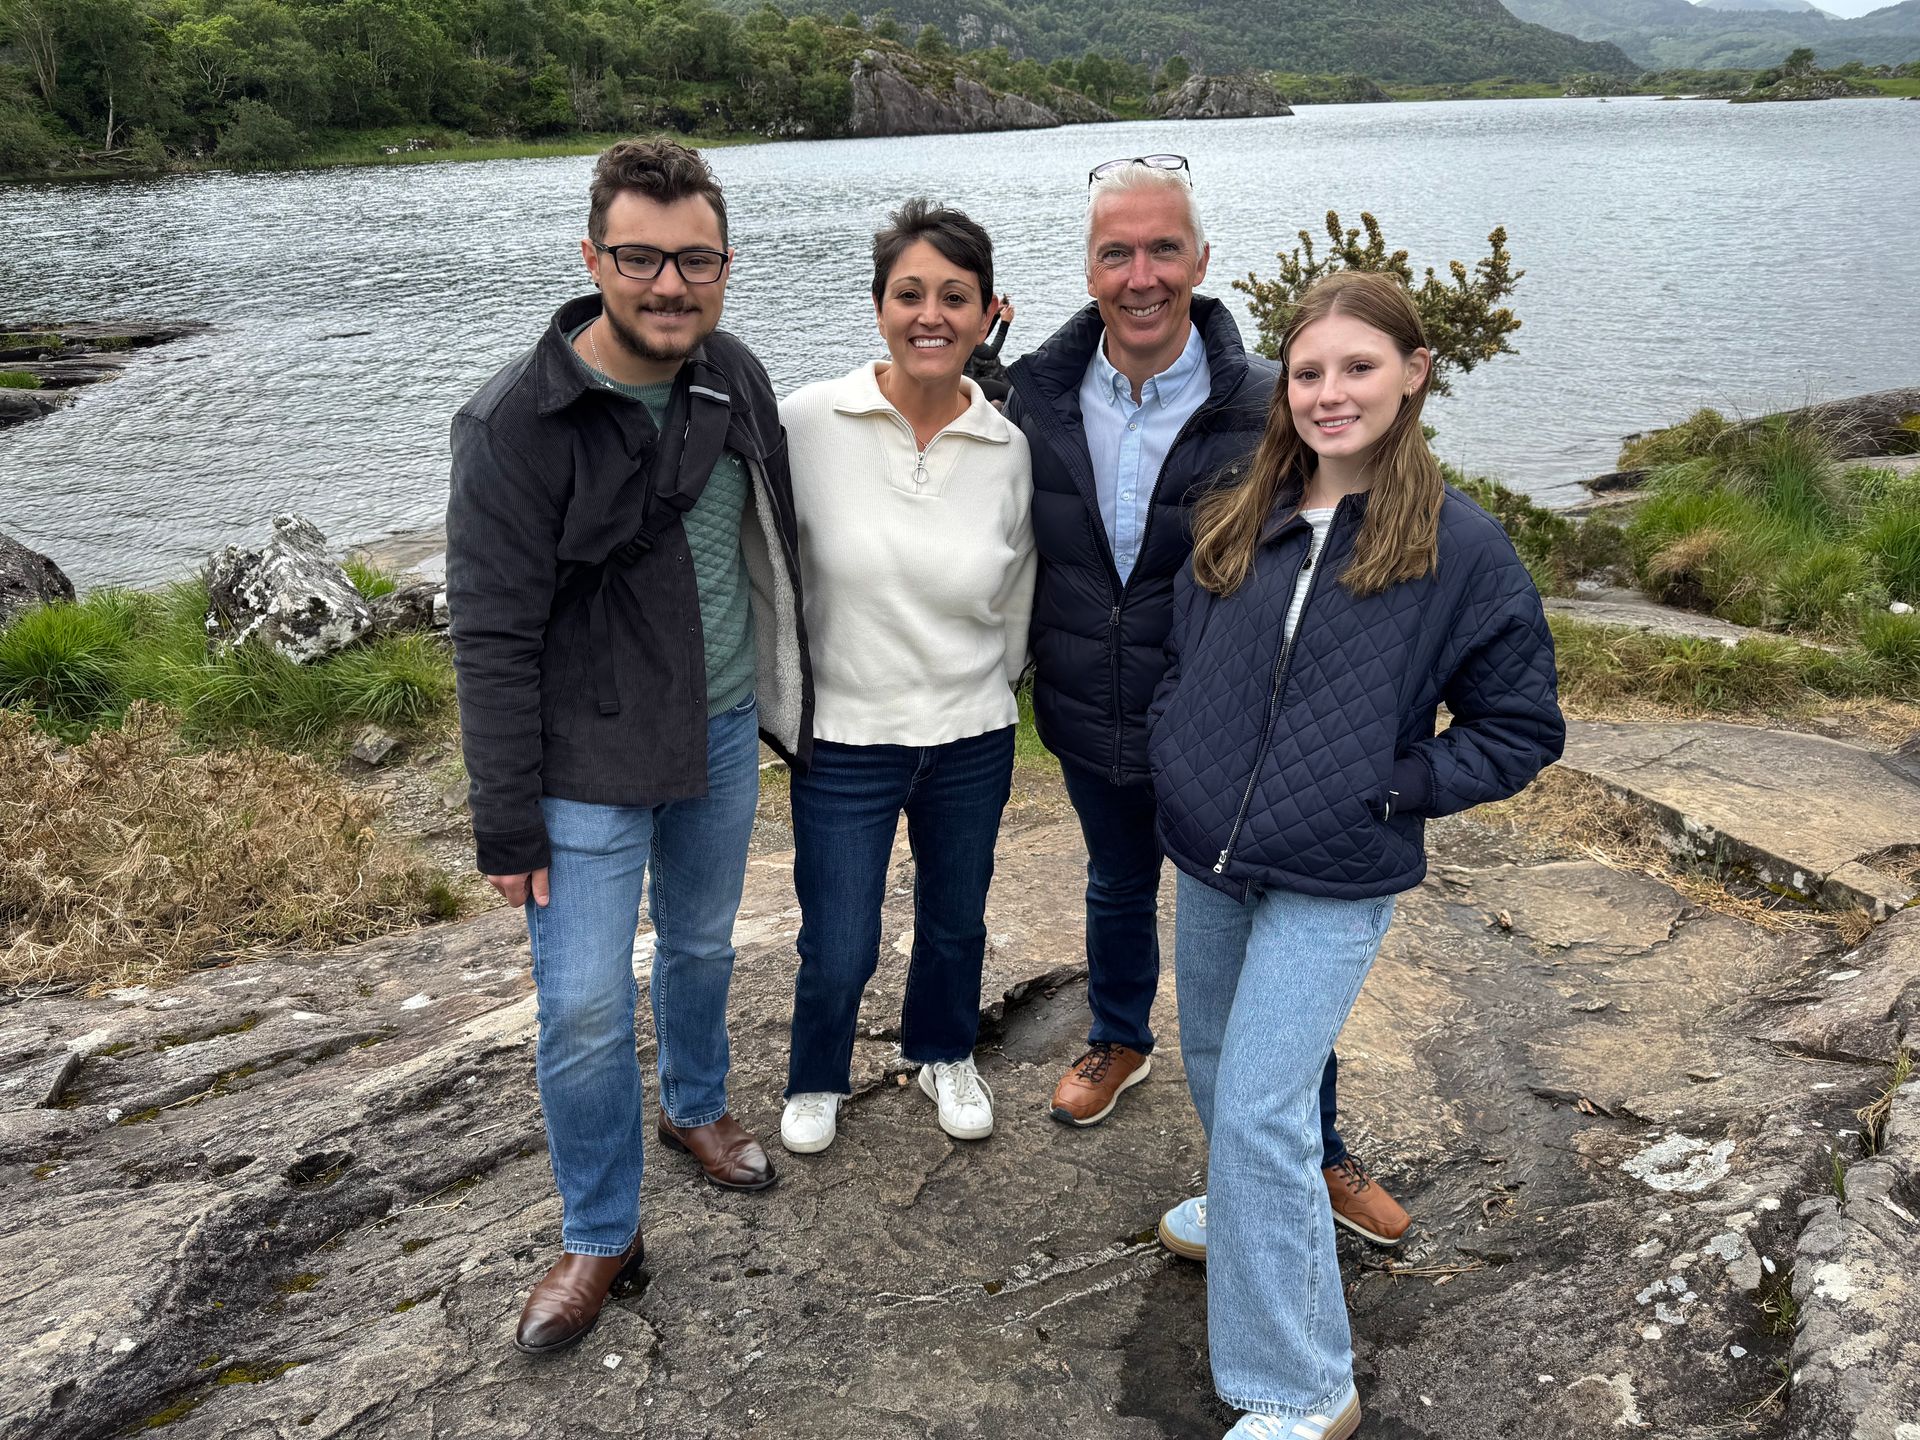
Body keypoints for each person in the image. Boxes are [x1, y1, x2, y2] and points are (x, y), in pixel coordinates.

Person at [1147, 270, 1565, 1438]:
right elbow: (1189, 652)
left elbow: (1520, 727)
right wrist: (1179, 750)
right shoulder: (1249, 502)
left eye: (1359, 368)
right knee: (1222, 1076)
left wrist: (1394, 783)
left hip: (1338, 865)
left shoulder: (1463, 545)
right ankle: (1250, 1216)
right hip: (1214, 853)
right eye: (1311, 371)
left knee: (1265, 1106)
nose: (1331, 394)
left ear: (1415, 374)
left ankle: (1302, 1388)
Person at [445, 138, 813, 1356]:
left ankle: (695, 1108)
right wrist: (507, 816)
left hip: (716, 730)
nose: (670, 283)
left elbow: (779, 542)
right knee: (586, 1007)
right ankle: (601, 1233)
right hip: (582, 763)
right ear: (593, 257)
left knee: (703, 943)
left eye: (694, 259)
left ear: (723, 264)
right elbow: (491, 634)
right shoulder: (513, 421)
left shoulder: (737, 377)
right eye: (641, 257)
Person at [1003, 155, 1410, 1248]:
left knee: (1274, 954)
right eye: (1116, 252)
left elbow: (1352, 543)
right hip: (1090, 703)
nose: (1141, 275)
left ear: (1201, 259)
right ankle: (1119, 1036)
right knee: (1117, 879)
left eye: (1163, 249)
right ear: (1088, 267)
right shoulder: (1033, 395)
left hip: (1237, 734)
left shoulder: (1272, 397)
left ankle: (1310, 1152)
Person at [776, 200, 1035, 1154]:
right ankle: (816, 1074)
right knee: (838, 939)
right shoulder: (808, 421)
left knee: (956, 922)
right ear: (880, 305)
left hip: (971, 735)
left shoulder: (1008, 450)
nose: (932, 316)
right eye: (910, 294)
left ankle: (943, 1051)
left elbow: (1017, 594)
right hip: (843, 738)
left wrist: (987, 693)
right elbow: (756, 560)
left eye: (955, 298)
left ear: (987, 311)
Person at [964, 293, 1015, 403]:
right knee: (1007, 392)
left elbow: (978, 339)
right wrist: (1005, 324)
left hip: (963, 382)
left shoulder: (965, 328)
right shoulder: (964, 333)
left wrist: (995, 315)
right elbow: (990, 353)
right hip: (964, 386)